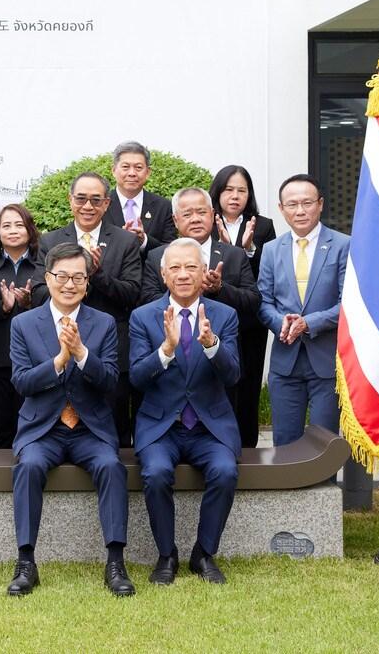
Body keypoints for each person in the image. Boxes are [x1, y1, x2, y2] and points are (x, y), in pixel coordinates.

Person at [7, 243, 134, 598]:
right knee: (29, 466)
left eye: (78, 277)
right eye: (62, 276)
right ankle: (26, 562)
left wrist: (81, 355)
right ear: (47, 279)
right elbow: (21, 382)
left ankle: (115, 561)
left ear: (87, 282)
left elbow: (110, 381)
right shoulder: (23, 324)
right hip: (43, 428)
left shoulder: (104, 323)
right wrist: (59, 361)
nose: (69, 284)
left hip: (89, 428)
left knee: (111, 465)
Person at [130, 238, 241, 585]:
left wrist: (212, 345)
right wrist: (165, 349)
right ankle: (167, 555)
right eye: (174, 268)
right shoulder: (143, 317)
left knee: (224, 471)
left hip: (210, 426)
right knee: (157, 473)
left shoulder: (224, 315)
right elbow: (135, 378)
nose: (183, 274)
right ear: (163, 274)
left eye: (191, 267)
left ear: (204, 272)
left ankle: (204, 554)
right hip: (162, 426)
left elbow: (234, 374)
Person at [35, 171, 143, 446]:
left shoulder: (125, 241)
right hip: (58, 347)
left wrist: (98, 275)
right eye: (81, 199)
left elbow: (132, 294)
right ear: (70, 200)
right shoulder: (50, 241)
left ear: (107, 204)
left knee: (116, 432)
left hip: (111, 349)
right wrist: (70, 282)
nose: (88, 206)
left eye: (96, 200)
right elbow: (38, 293)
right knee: (57, 430)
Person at [258, 174, 350, 447]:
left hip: (327, 361)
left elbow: (349, 304)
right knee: (285, 443)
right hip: (285, 362)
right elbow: (262, 301)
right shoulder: (271, 250)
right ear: (281, 208)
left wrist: (309, 323)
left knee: (325, 444)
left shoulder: (343, 245)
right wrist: (280, 322)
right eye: (292, 204)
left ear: (320, 204)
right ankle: (288, 491)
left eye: (307, 203)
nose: (300, 210)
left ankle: (326, 491)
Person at [209, 164, 277, 448]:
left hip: (250, 320)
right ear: (218, 192)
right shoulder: (206, 220)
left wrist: (246, 250)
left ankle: (247, 446)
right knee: (218, 384)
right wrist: (226, 247)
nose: (235, 196)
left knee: (247, 386)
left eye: (242, 190)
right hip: (214, 320)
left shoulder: (262, 225)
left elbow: (266, 271)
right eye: (229, 190)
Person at [0, 203, 42, 450]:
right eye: (6, 225)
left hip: (36, 360)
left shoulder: (42, 264)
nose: (13, 230)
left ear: (29, 229)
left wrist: (28, 303)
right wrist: (2, 308)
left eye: (19, 224)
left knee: (33, 429)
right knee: (1, 430)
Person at [140, 187, 259, 321]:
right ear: (175, 220)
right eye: (187, 214)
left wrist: (220, 288)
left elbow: (254, 301)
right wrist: (183, 294)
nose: (195, 219)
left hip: (223, 336)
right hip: (172, 335)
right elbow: (147, 299)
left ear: (212, 214)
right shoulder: (157, 256)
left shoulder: (235, 255)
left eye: (201, 212)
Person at [105, 140, 176, 250]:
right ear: (114, 170)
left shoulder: (164, 206)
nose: (132, 173)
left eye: (138, 167)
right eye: (125, 167)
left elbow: (170, 248)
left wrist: (144, 240)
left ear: (147, 172)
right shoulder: (102, 204)